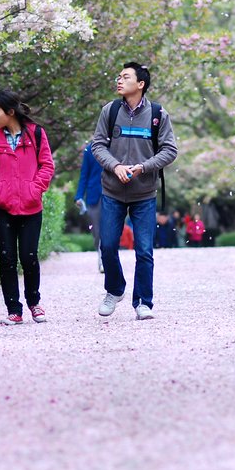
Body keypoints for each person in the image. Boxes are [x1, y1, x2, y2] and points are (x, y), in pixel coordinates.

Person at [90, 62, 178, 320]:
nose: (119, 80)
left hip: (144, 194)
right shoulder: (110, 110)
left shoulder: (158, 114)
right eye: (119, 76)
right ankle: (114, 290)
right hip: (112, 192)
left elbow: (170, 150)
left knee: (144, 251)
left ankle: (143, 303)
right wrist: (115, 166)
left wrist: (143, 167)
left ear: (140, 84)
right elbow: (97, 146)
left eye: (125, 77)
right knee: (107, 246)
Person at [0, 90, 55, 325]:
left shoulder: (36, 134)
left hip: (31, 207)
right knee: (7, 259)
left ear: (10, 112)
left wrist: (34, 190)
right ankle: (14, 309)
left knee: (29, 256)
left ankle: (34, 303)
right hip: (3, 207)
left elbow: (47, 165)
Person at [74, 141, 104, 273]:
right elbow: (84, 174)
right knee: (97, 232)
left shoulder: (116, 145)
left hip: (114, 195)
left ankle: (108, 260)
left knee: (111, 231)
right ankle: (101, 257)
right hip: (94, 196)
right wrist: (79, 196)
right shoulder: (89, 150)